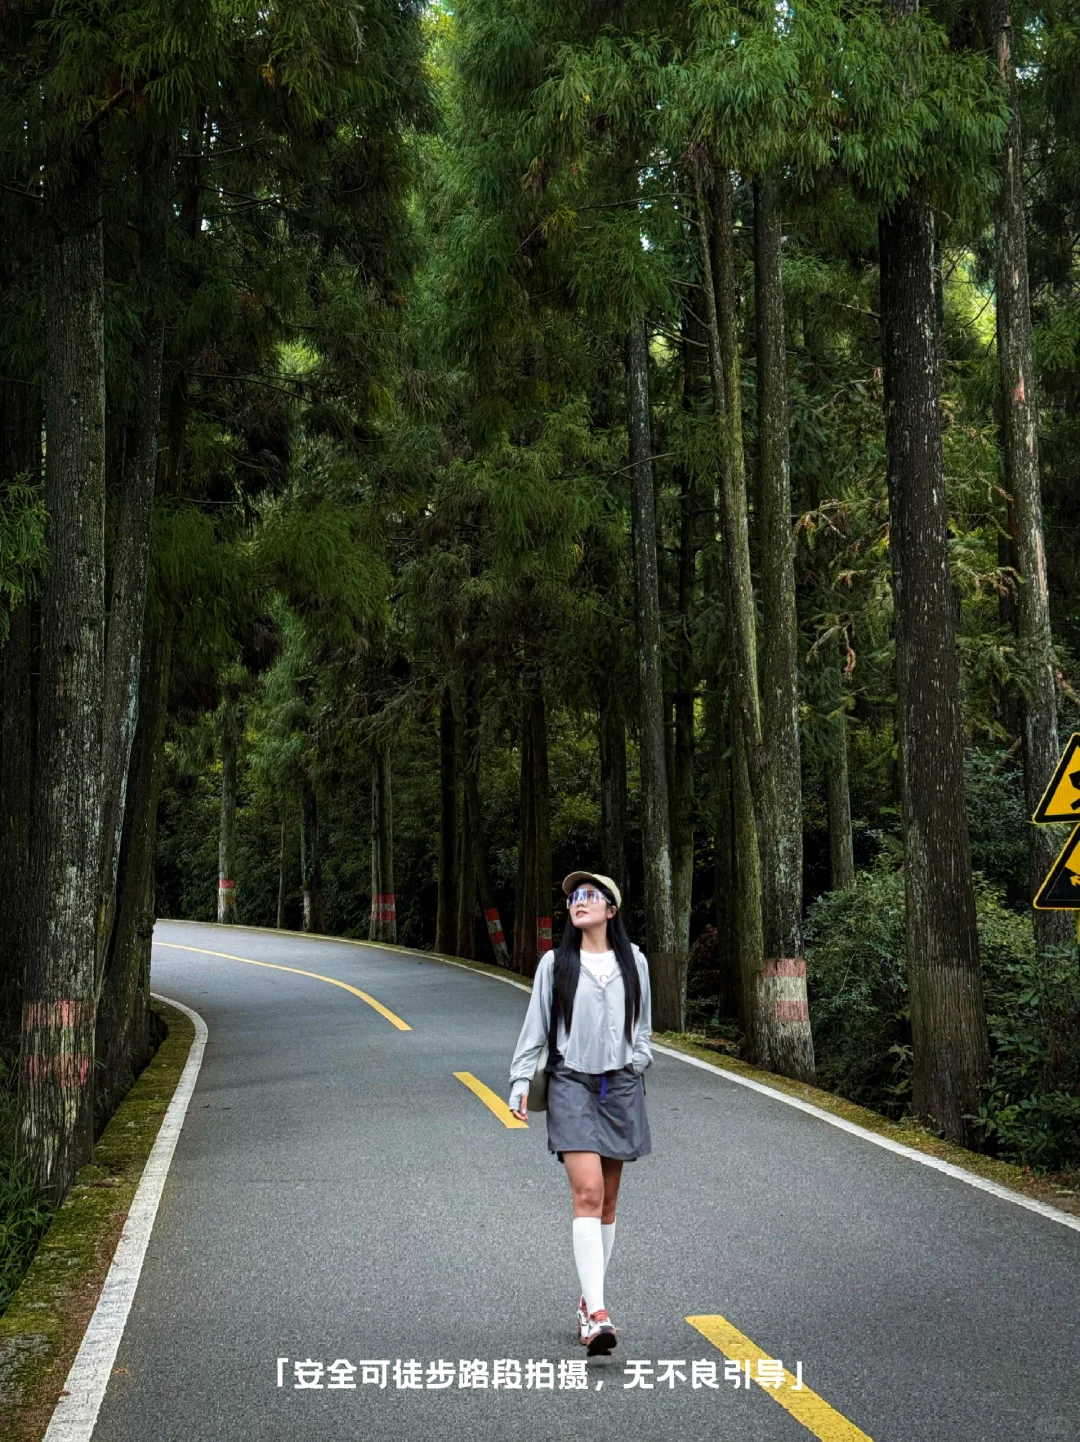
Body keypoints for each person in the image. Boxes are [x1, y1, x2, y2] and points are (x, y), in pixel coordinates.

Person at [508, 871, 653, 1357]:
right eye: (573, 896)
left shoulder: (634, 962)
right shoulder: (556, 964)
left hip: (620, 1086)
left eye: (591, 895)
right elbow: (535, 1028)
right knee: (587, 1192)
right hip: (571, 1083)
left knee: (608, 1204)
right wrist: (520, 1081)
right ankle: (597, 1313)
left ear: (612, 910)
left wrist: (638, 1062)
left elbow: (645, 1028)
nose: (579, 902)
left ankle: (587, 1300)